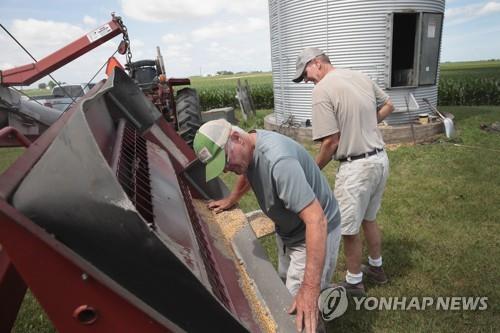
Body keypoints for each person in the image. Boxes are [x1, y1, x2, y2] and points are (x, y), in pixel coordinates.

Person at [193, 119, 341, 333]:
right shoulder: (249, 147)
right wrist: (232, 198)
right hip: (290, 231)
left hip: (313, 233)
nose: (226, 169)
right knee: (285, 293)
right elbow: (247, 170)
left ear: (236, 138)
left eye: (225, 160)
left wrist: (309, 288)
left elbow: (316, 221)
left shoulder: (279, 161)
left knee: (298, 309)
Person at [293, 47, 394, 295]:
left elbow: (330, 142)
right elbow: (389, 105)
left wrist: (312, 170)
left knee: (348, 229)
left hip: (356, 168)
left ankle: (354, 281)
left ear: (317, 63)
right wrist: (367, 124)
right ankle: (377, 268)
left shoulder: (322, 90)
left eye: (304, 74)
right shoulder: (359, 76)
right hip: (380, 160)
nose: (306, 80)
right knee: (369, 218)